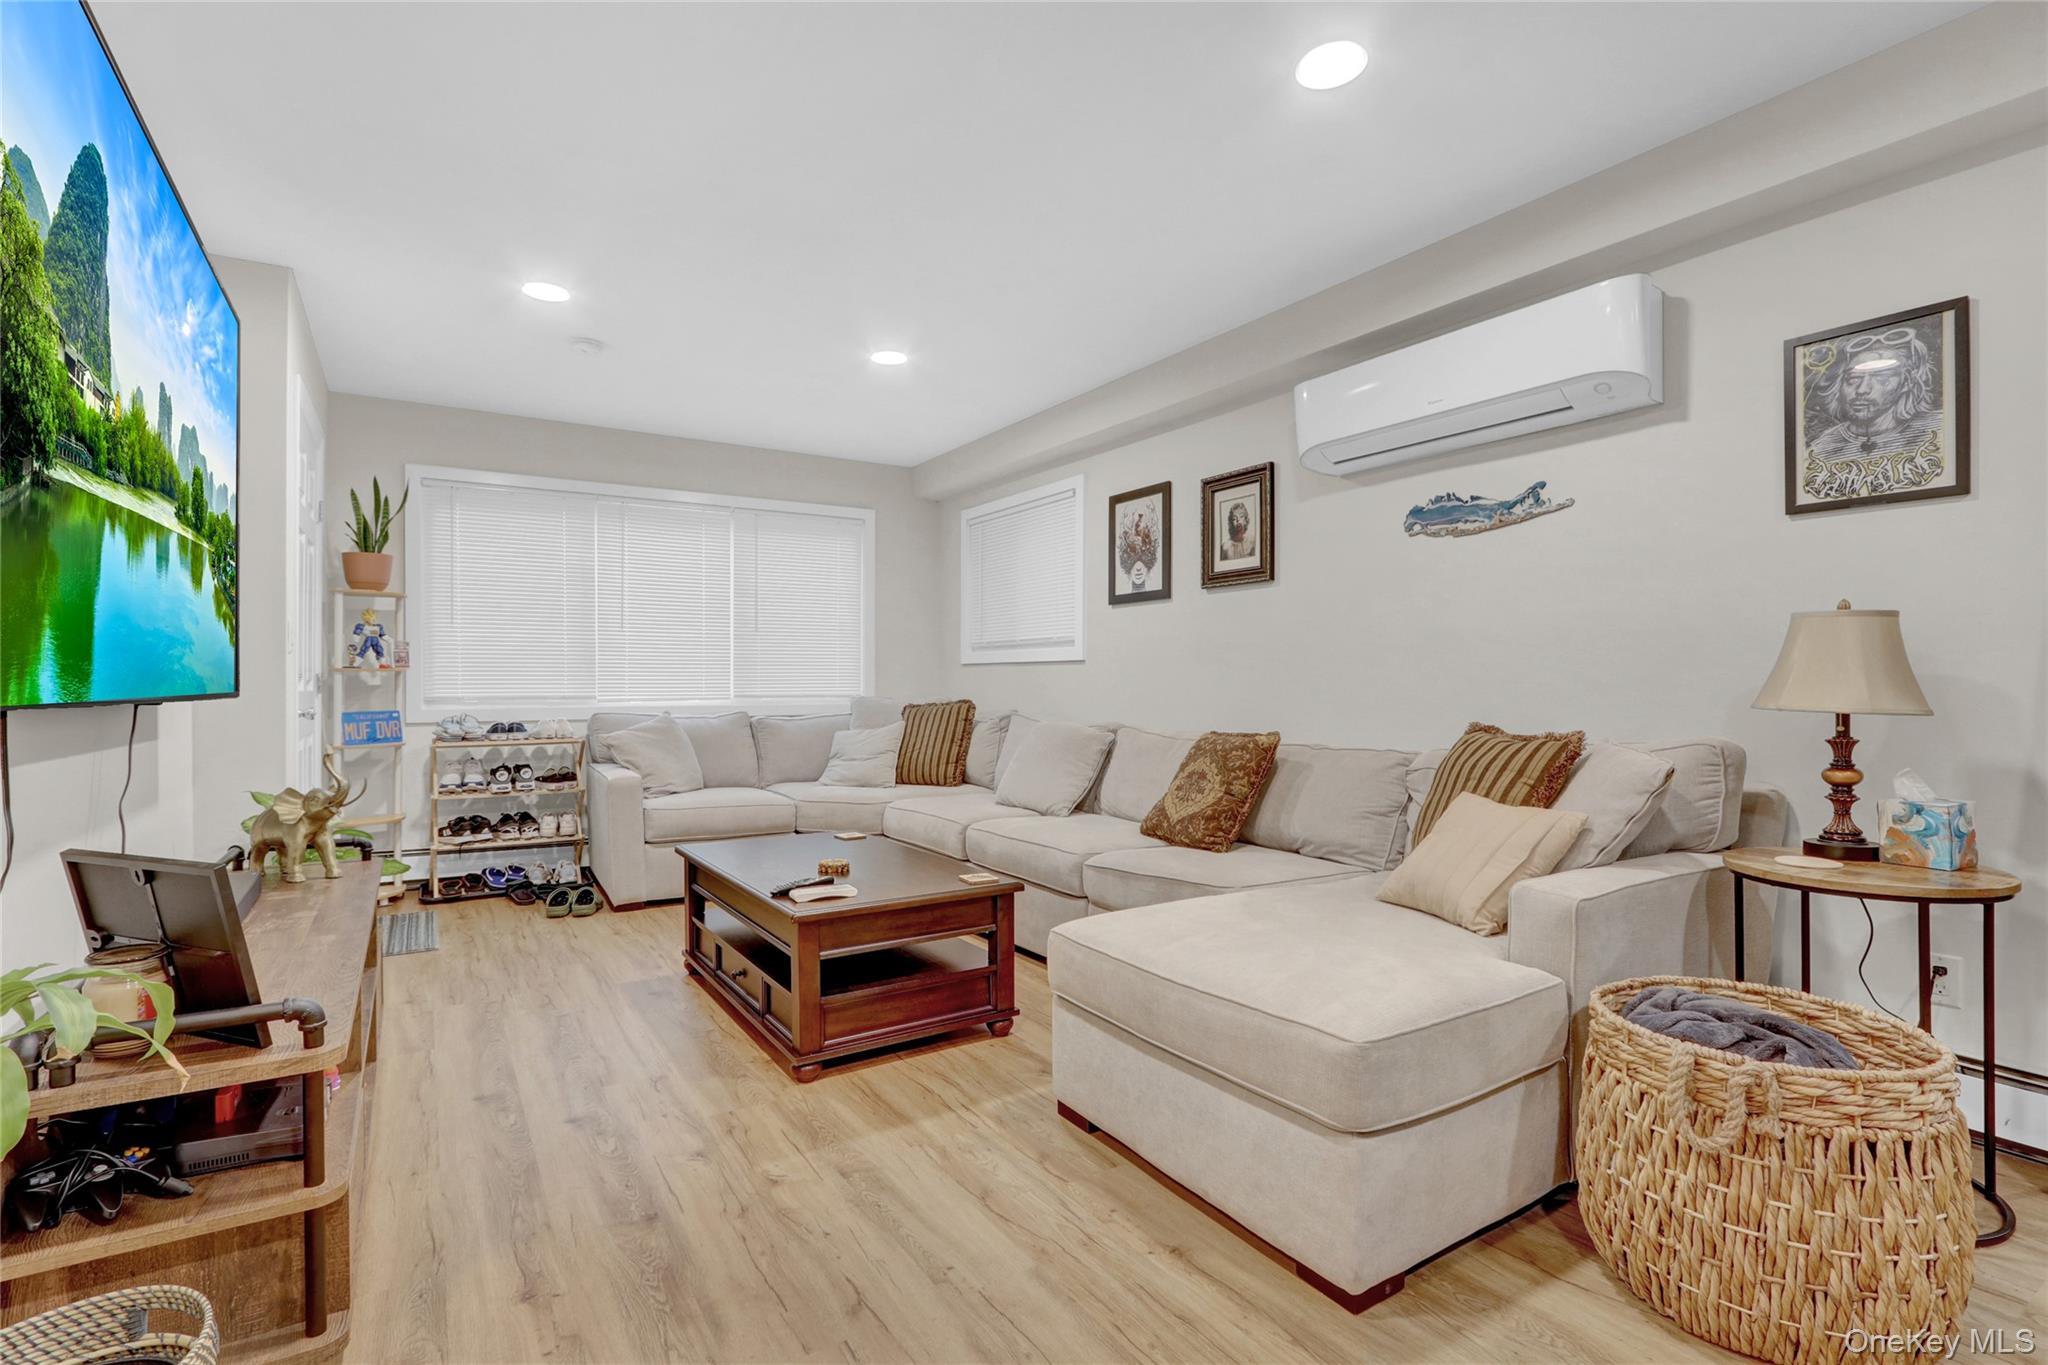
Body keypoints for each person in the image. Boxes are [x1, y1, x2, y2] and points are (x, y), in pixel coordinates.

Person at [1803, 325, 1945, 499]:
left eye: (1881, 378)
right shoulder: (1820, 450)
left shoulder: (1941, 430)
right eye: (1853, 379)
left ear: (1907, 381)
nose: (1862, 390)